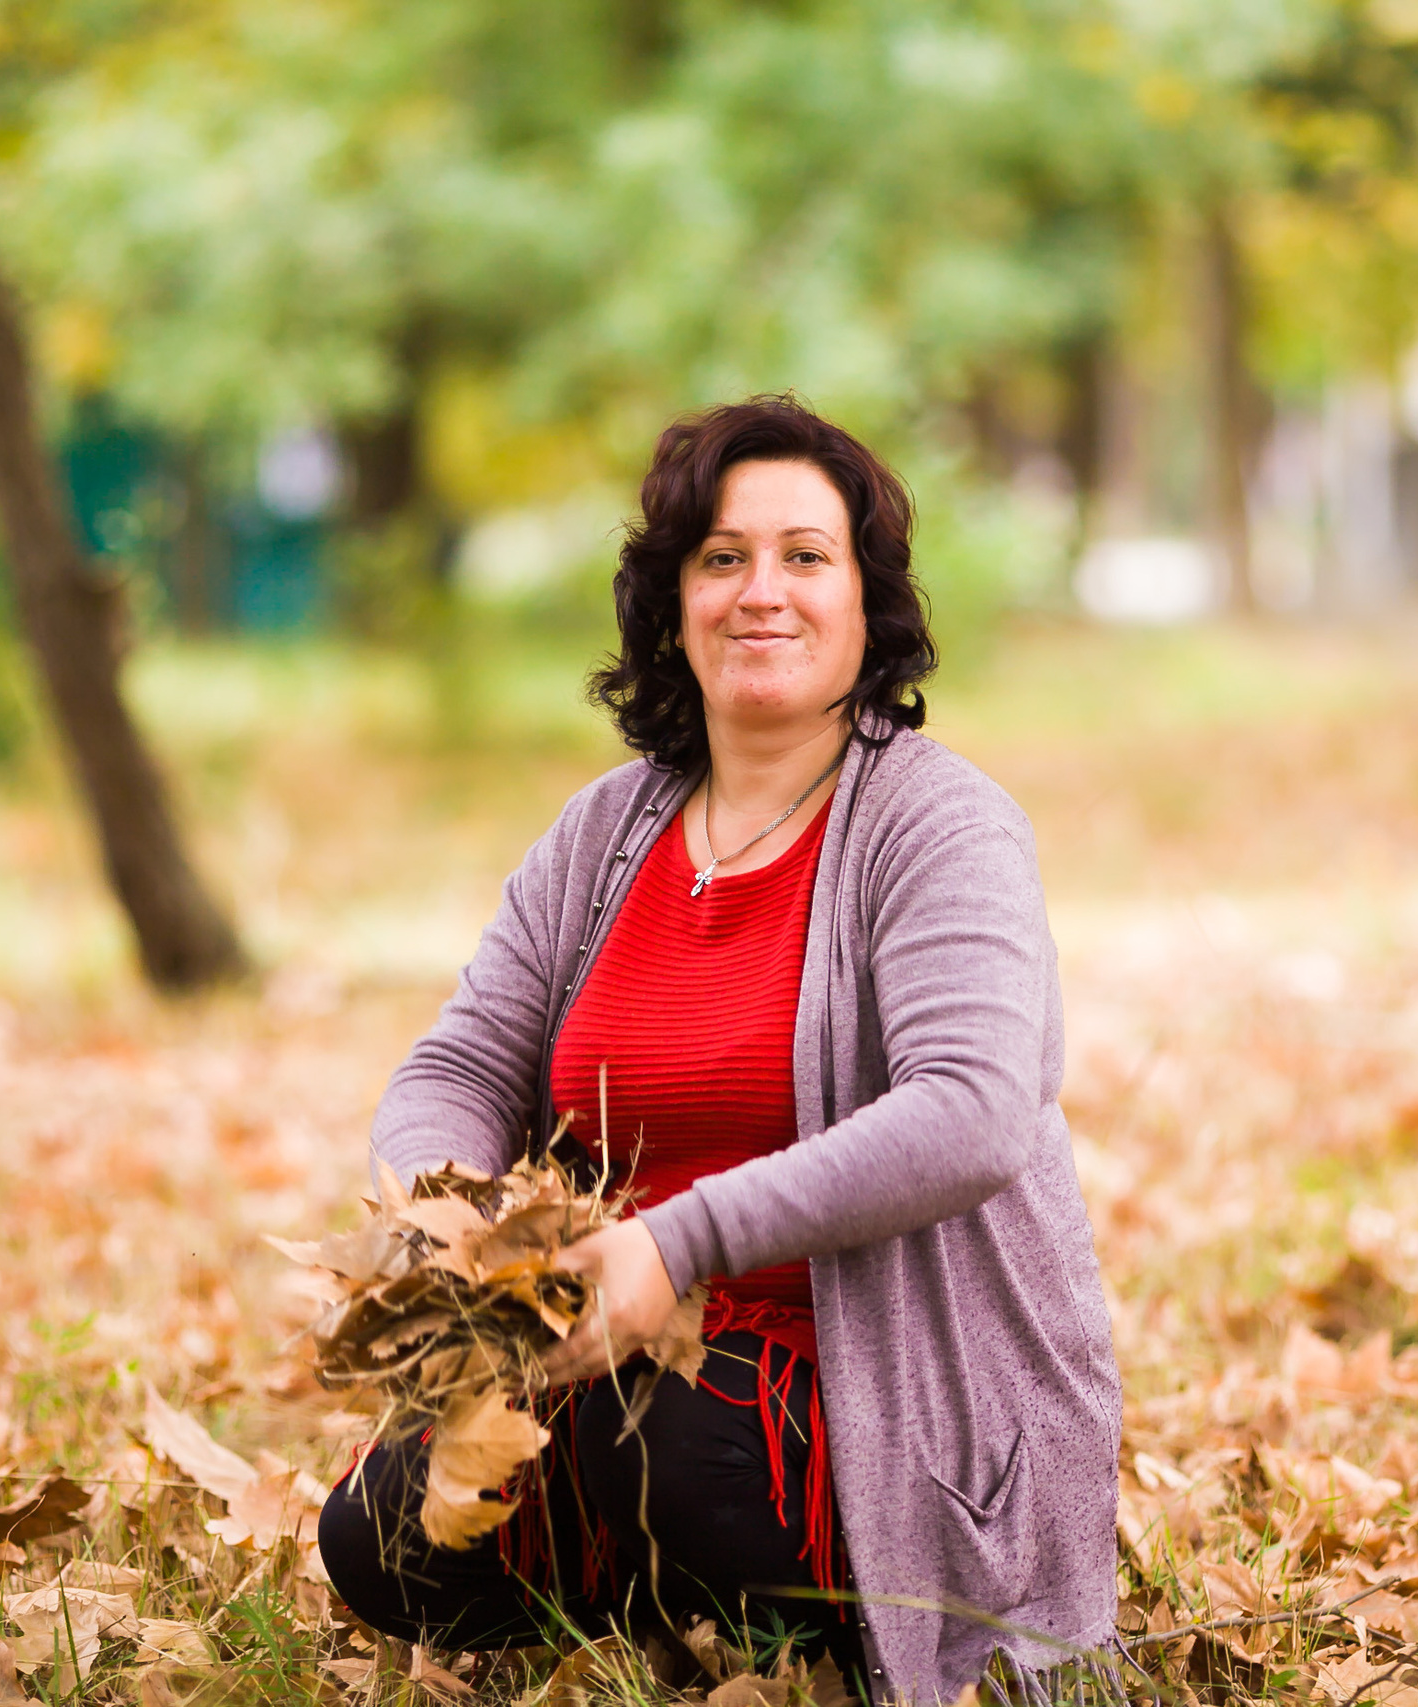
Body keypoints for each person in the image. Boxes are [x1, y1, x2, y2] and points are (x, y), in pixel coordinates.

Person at [316, 395, 1120, 1705]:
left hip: (881, 1387)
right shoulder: (606, 831)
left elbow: (971, 1113)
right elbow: (458, 1066)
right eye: (722, 557)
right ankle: (650, 1588)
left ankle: (766, 1609)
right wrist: (451, 1220)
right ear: (671, 599)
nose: (764, 592)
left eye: (807, 557)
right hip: (615, 1352)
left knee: (672, 1441)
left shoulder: (938, 824)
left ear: (871, 606)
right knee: (376, 1539)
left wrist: (675, 1244)